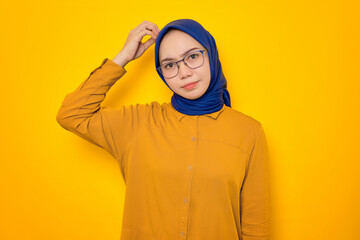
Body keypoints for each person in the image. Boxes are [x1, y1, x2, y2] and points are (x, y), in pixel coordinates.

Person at [56, 19, 271, 240]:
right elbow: (72, 114)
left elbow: (256, 228)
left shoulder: (248, 132)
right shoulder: (138, 124)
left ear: (211, 55)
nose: (184, 72)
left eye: (193, 57)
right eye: (170, 65)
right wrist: (124, 56)